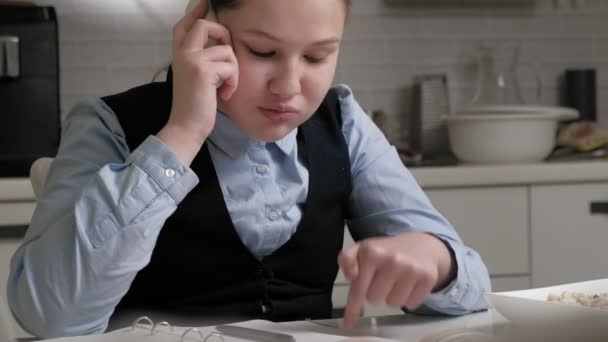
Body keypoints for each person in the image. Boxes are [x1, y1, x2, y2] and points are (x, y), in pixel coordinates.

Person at [8, 0, 491, 338]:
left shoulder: (343, 124)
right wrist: (183, 131)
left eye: (318, 56)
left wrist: (437, 261)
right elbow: (49, 317)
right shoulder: (107, 124)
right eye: (262, 51)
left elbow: (474, 287)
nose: (289, 86)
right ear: (203, 25)